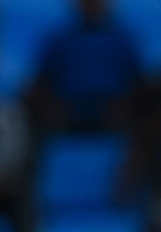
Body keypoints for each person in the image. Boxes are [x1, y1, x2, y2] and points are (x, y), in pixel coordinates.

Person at [27, 0, 142, 133]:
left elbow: (138, 80)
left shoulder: (123, 39)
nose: (92, 3)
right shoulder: (58, 39)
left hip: (113, 108)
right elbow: (41, 80)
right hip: (65, 108)